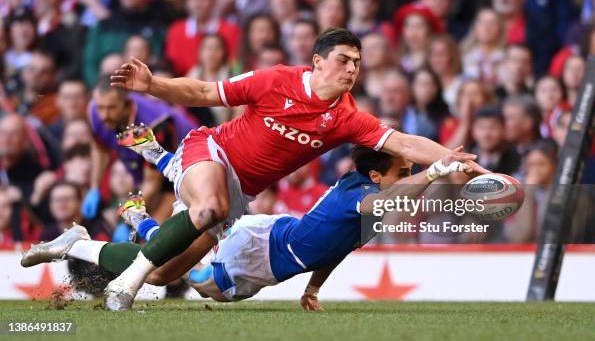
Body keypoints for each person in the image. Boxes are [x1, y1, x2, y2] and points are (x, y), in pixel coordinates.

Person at [95, 28, 486, 310]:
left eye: (357, 63)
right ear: (317, 62)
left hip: (241, 190)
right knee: (208, 209)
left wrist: (449, 157)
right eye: (343, 60)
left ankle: (76, 244)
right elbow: (203, 92)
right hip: (211, 149)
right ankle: (126, 285)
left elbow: (404, 142)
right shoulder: (275, 80)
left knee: (165, 274)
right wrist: (152, 85)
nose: (351, 70)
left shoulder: (347, 118)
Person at [21, 145, 469, 309]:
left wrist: (313, 289)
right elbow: (393, 197)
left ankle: (138, 224)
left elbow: (339, 247)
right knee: (167, 274)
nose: (411, 174)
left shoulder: (368, 198)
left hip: (274, 248)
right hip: (260, 249)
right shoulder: (363, 197)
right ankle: (83, 242)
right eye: (404, 169)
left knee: (171, 269)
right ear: (378, 177)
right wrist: (433, 172)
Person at [82, 78, 195, 220]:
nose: (104, 115)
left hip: (185, 168)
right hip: (148, 170)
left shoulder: (156, 125)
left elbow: (153, 183)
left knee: (159, 232)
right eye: (100, 107)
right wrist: (94, 188)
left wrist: (127, 219)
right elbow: (100, 148)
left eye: (111, 108)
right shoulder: (95, 112)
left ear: (127, 104)